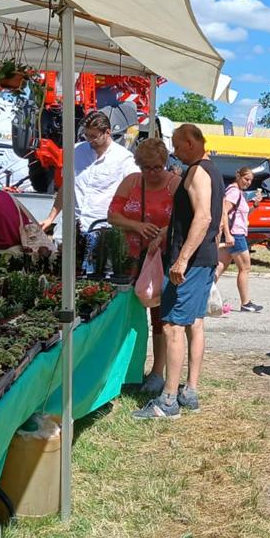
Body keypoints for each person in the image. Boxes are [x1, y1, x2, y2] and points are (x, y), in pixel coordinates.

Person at [133, 123, 222, 420]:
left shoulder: (197, 172)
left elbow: (204, 218)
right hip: (203, 258)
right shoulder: (211, 170)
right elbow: (202, 217)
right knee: (195, 323)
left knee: (172, 326)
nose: (174, 150)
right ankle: (189, 391)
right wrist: (165, 233)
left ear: (191, 142)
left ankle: (168, 400)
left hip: (191, 262)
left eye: (177, 144)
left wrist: (182, 259)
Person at [108, 138, 180, 397]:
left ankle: (157, 372)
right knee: (129, 314)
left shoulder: (175, 184)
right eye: (146, 167)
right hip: (131, 258)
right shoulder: (131, 182)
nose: (151, 173)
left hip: (163, 260)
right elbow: (112, 215)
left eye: (157, 167)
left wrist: (163, 231)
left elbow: (185, 219)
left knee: (160, 317)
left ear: (165, 163)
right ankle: (125, 368)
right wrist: (137, 226)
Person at [41, 110, 138, 252]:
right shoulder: (76, 151)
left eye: (94, 136)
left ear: (107, 132)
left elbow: (135, 193)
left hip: (102, 230)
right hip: (70, 229)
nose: (89, 140)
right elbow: (66, 188)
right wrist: (50, 218)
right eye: (87, 135)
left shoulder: (124, 159)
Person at [216, 166, 263, 312]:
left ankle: (202, 296)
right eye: (246, 179)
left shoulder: (238, 193)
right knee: (245, 268)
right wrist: (228, 234)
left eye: (250, 180)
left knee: (219, 267)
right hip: (236, 235)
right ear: (238, 176)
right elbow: (224, 212)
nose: (248, 182)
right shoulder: (234, 192)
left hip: (235, 233)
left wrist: (255, 205)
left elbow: (241, 215)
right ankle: (245, 303)